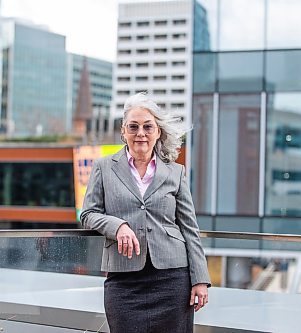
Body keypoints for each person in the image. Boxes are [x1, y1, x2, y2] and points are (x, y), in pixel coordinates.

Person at [80, 92, 210, 333]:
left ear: (158, 132)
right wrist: (117, 226)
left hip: (173, 279)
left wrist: (200, 279)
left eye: (148, 126)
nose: (141, 133)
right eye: (134, 126)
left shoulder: (175, 172)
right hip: (124, 280)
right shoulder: (104, 167)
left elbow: (190, 229)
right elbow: (88, 214)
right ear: (123, 131)